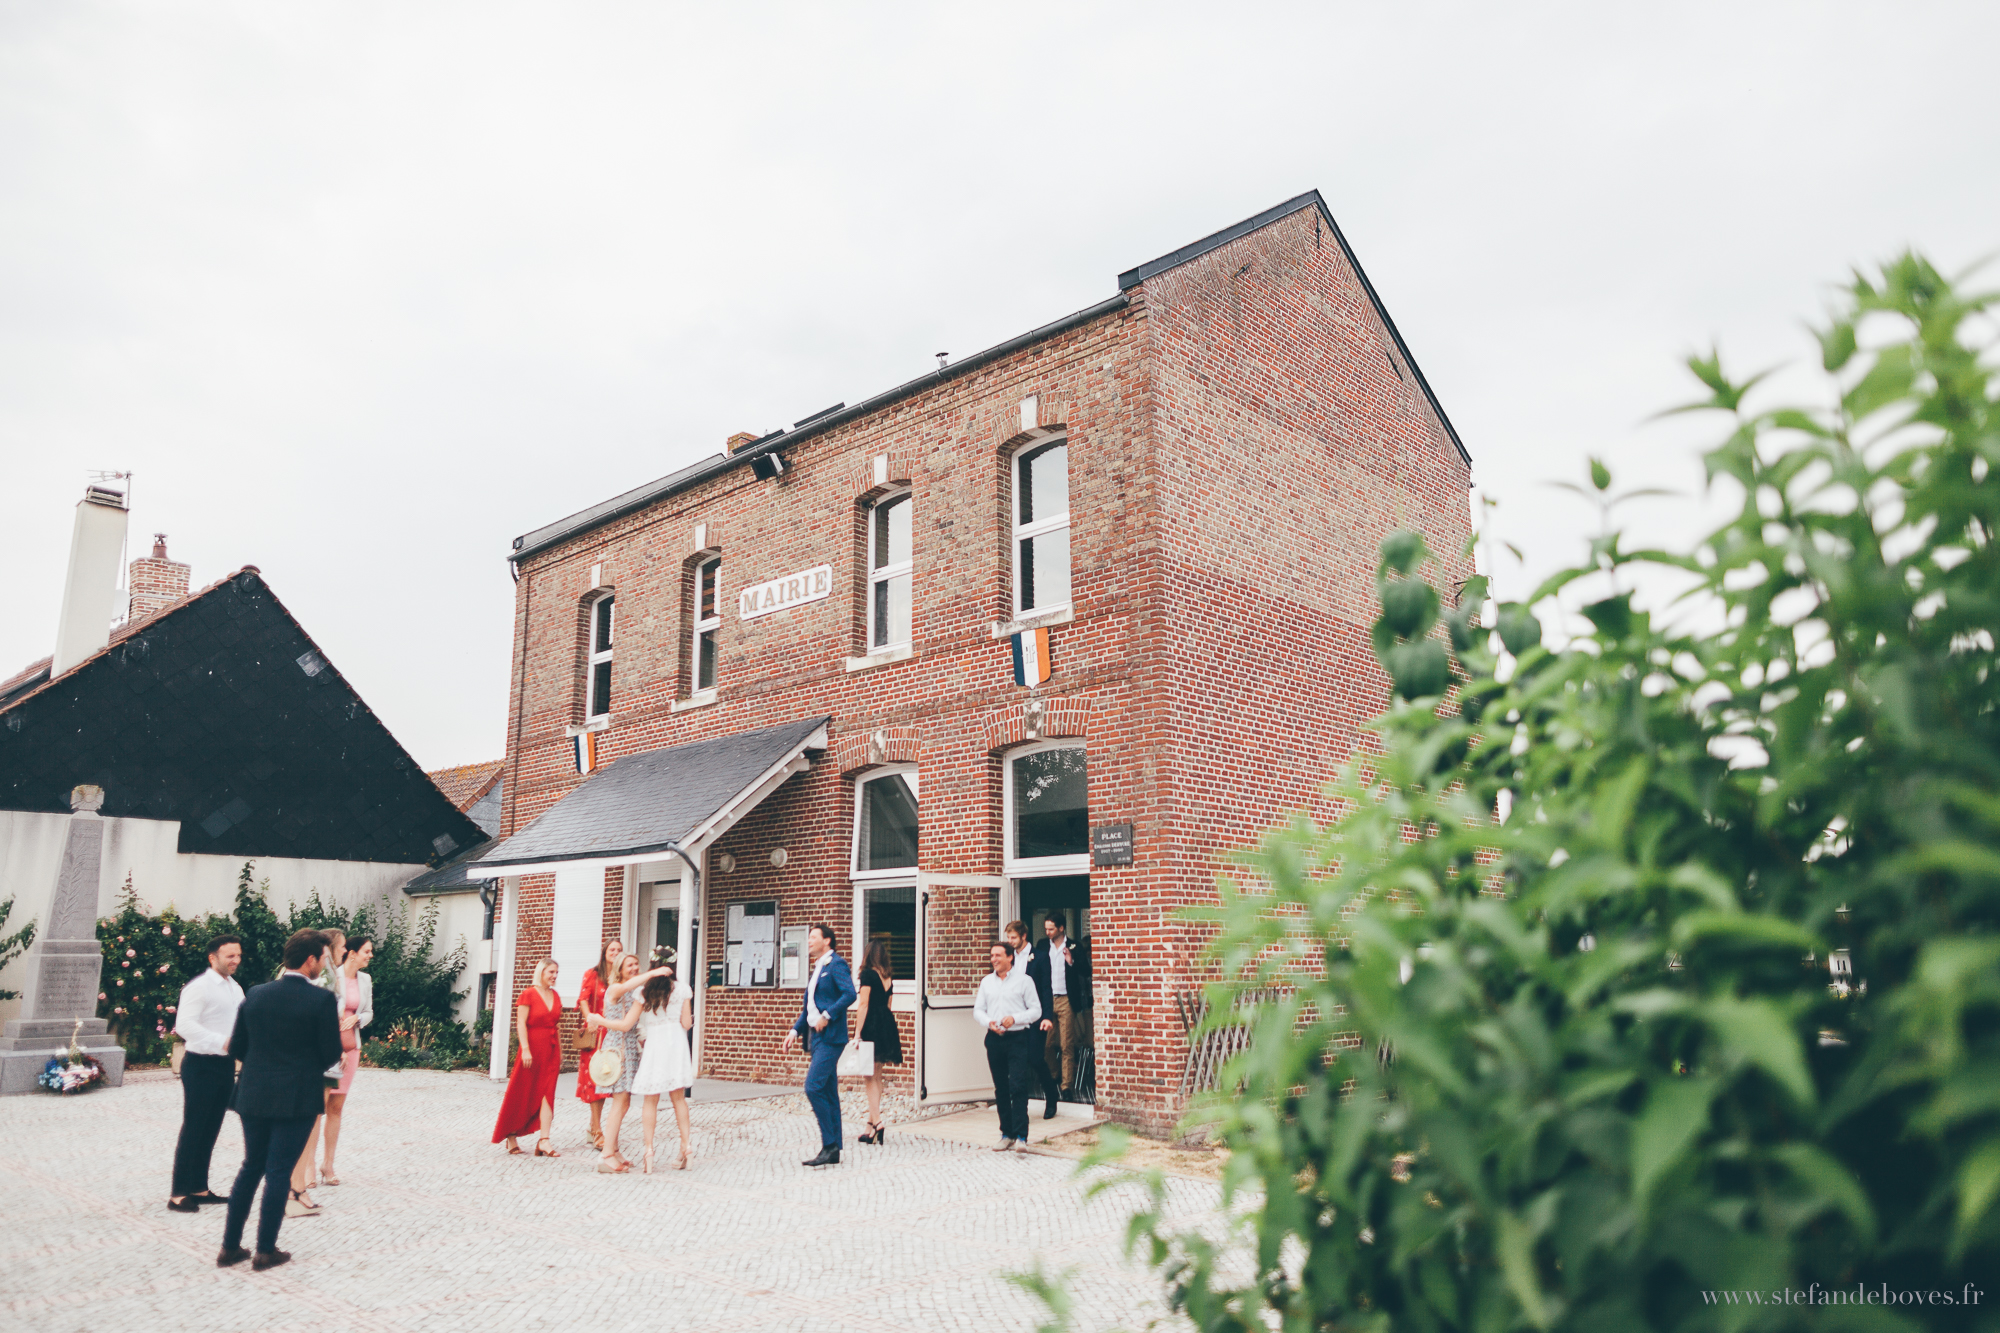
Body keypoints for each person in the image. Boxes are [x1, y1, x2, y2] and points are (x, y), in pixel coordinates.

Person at [216, 928, 343, 1272]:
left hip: (254, 1092)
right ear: (310, 960)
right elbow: (331, 1053)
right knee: (278, 1171)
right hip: (296, 1096)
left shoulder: (256, 993)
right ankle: (265, 1250)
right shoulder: (321, 1000)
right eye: (323, 959)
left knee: (251, 1166)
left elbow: (237, 1046)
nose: (324, 965)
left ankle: (229, 1247)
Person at [169, 934, 245, 1213]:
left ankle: (199, 1187)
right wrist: (221, 1041)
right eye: (230, 956)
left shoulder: (235, 988)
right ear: (213, 958)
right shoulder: (199, 987)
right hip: (200, 1065)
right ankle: (178, 1193)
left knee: (212, 1127)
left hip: (224, 1065)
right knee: (194, 1127)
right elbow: (184, 1025)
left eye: (238, 955)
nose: (236, 960)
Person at [780, 923, 855, 1167]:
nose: (809, 940)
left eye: (814, 937)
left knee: (813, 1087)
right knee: (829, 1091)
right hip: (816, 1036)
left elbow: (850, 994)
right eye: (809, 937)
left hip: (831, 1037)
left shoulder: (836, 964)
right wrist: (794, 1031)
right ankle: (834, 1150)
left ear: (827, 941)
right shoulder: (818, 967)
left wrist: (827, 1015)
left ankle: (829, 1144)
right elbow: (809, 1008)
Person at [288, 928, 345, 1217]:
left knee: (317, 1112)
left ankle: (302, 1180)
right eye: (342, 946)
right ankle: (300, 1179)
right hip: (314, 1058)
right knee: (310, 1115)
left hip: (317, 1053)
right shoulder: (321, 982)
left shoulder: (332, 975)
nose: (344, 950)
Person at [620, 951, 695, 1172]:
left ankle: (649, 1151)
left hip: (655, 1045)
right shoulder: (682, 989)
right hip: (676, 1044)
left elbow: (629, 1022)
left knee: (650, 1100)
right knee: (679, 1099)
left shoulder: (643, 992)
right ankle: (686, 1146)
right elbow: (686, 1024)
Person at [584, 952, 655, 1173]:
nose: (634, 968)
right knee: (619, 1102)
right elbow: (624, 1025)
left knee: (624, 1102)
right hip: (619, 1049)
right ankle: (606, 1156)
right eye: (629, 965)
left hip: (629, 1047)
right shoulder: (615, 988)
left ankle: (614, 1150)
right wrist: (653, 973)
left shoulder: (635, 992)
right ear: (619, 970)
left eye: (636, 964)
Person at [972, 940, 1041, 1151]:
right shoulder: (986, 982)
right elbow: (978, 1010)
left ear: (1010, 957)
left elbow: (1036, 1010)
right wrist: (989, 1023)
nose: (993, 959)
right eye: (992, 955)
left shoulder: (1024, 981)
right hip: (995, 1039)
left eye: (998, 955)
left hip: (1018, 1038)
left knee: (1018, 1085)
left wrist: (1016, 1018)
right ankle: (1006, 1133)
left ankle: (1021, 1136)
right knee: (1001, 1088)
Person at [492, 959, 564, 1157]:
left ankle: (544, 1140)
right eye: (551, 972)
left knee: (548, 1093)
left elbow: (556, 1025)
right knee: (522, 1092)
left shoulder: (556, 995)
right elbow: (521, 1023)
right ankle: (511, 1134)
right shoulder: (528, 994)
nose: (554, 976)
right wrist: (525, 1049)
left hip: (551, 1051)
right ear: (541, 972)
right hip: (531, 1050)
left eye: (556, 972)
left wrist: (560, 1052)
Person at [317, 935, 373, 1185]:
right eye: (366, 951)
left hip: (351, 1048)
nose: (370, 956)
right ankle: (305, 1167)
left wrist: (357, 1019)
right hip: (328, 1048)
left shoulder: (365, 979)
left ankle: (328, 1165)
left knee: (336, 1108)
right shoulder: (330, 976)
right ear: (352, 953)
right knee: (318, 1109)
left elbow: (369, 1011)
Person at [850, 939, 903, 1145]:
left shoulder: (867, 975)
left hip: (871, 1024)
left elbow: (863, 1004)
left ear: (868, 955)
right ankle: (870, 1126)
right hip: (886, 1023)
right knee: (877, 1075)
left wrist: (857, 1033)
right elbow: (889, 1004)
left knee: (868, 1075)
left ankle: (878, 1122)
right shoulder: (887, 977)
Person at [1006, 920, 1059, 1121]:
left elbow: (1046, 987)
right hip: (1015, 1017)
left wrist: (1047, 1016)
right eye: (1008, 938)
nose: (1010, 941)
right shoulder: (1009, 957)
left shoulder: (1040, 957)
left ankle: (1051, 1096)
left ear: (1023, 936)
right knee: (1017, 1062)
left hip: (1035, 1016)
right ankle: (1020, 1107)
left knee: (1036, 1058)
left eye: (1013, 938)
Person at [575, 937, 623, 1151]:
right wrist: (590, 1019)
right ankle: (596, 1131)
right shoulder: (593, 974)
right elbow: (583, 999)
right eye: (612, 949)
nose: (615, 953)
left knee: (608, 1082)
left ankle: (593, 1125)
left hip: (614, 1034)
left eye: (619, 950)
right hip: (596, 1034)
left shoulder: (621, 977)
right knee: (596, 1082)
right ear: (605, 952)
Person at [1040, 916, 1086, 1102]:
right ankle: (1054, 1075)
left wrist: (1071, 961)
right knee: (1046, 1043)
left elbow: (1086, 970)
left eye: (1051, 929)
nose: (1047, 932)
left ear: (1061, 928)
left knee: (1067, 1044)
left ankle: (1066, 1086)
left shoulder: (1074, 946)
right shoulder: (1043, 945)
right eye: (1046, 929)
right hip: (1047, 999)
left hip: (1066, 998)